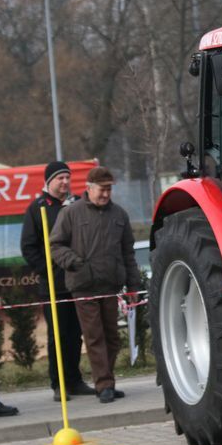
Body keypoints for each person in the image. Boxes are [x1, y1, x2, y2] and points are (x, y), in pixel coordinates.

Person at [50, 167, 141, 403]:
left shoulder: (119, 215)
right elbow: (56, 246)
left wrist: (133, 286)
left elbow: (128, 253)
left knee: (112, 337)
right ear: (89, 188)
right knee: (95, 337)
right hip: (83, 286)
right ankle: (104, 385)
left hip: (110, 287)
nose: (106, 195)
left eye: (109, 189)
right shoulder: (71, 213)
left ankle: (106, 380)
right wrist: (75, 263)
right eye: (102, 190)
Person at [20, 161, 95, 402]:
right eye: (59, 178)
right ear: (48, 181)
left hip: (78, 282)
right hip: (53, 285)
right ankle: (59, 384)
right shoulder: (37, 208)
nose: (64, 182)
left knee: (75, 335)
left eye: (67, 178)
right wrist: (48, 270)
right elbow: (29, 247)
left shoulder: (75, 205)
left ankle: (74, 380)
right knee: (58, 336)